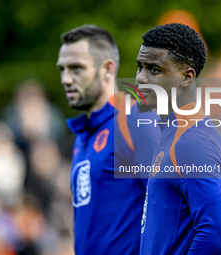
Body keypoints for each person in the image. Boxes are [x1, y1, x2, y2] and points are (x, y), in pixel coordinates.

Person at [56, 25, 160, 255]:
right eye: (62, 69)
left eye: (76, 69)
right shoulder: (82, 136)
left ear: (107, 69)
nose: (66, 79)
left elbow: (177, 203)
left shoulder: (134, 120)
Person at [136, 23, 221, 254]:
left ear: (187, 77)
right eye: (140, 67)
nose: (140, 78)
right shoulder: (173, 132)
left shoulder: (192, 141)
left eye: (154, 70)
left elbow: (217, 233)